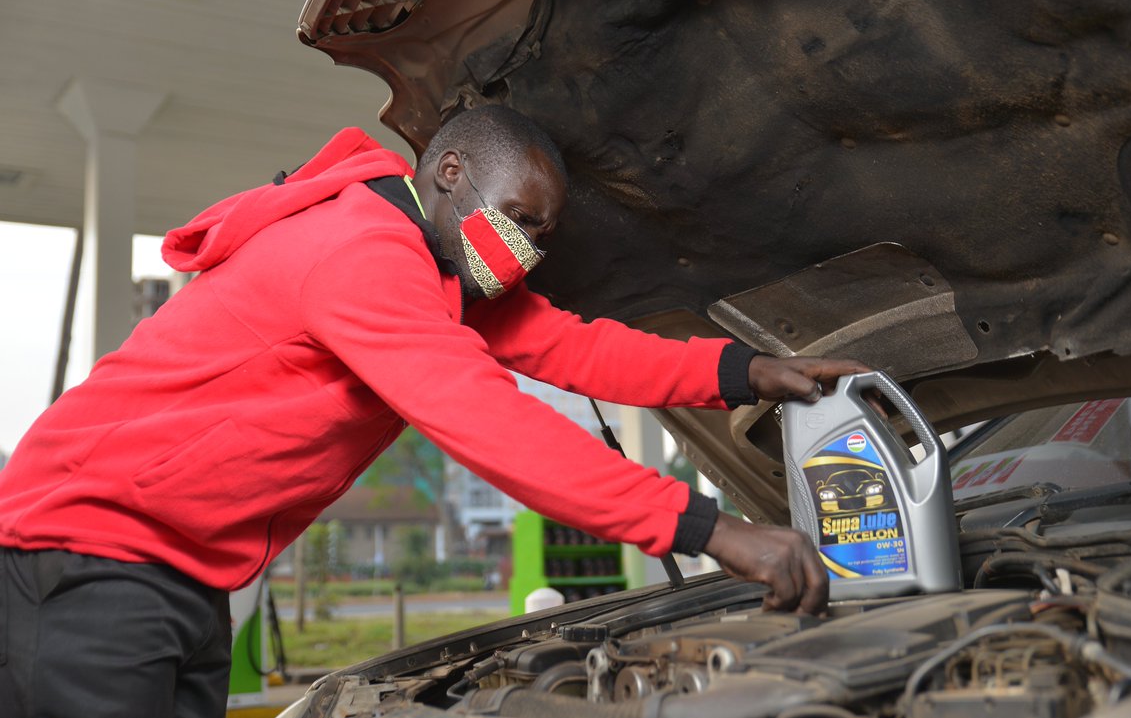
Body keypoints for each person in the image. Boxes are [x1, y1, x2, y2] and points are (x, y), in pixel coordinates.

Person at [0, 106, 867, 718]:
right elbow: (491, 422)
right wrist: (710, 528)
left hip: (178, 579)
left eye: (543, 236)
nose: (527, 250)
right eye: (520, 219)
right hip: (86, 557)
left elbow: (582, 349)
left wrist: (751, 372)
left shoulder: (440, 275)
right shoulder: (358, 252)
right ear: (450, 172)